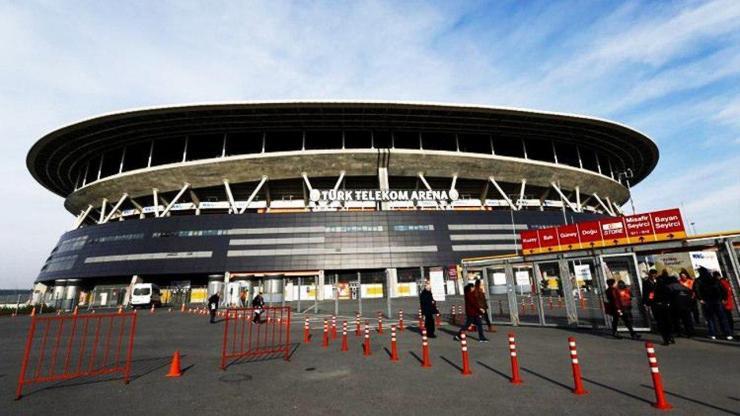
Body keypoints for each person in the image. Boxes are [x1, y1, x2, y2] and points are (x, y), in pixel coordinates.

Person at [695, 267, 732, 340]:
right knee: (722, 317)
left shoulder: (698, 280)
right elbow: (722, 289)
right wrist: (723, 298)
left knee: (710, 318)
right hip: (717, 300)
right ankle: (727, 334)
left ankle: (713, 334)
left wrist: (700, 299)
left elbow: (696, 290)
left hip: (707, 301)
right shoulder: (714, 279)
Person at [652, 271, 675, 345]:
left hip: (659, 307)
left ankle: (666, 339)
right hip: (666, 306)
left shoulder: (656, 288)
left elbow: (652, 297)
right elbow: (670, 296)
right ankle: (671, 336)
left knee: (661, 323)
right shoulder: (667, 287)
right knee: (668, 322)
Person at [716, 271, 735, 336]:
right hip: (728, 302)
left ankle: (728, 331)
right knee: (729, 317)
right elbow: (729, 291)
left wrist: (724, 300)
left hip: (725, 303)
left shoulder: (721, 282)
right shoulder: (725, 282)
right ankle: (731, 330)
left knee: (725, 318)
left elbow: (726, 292)